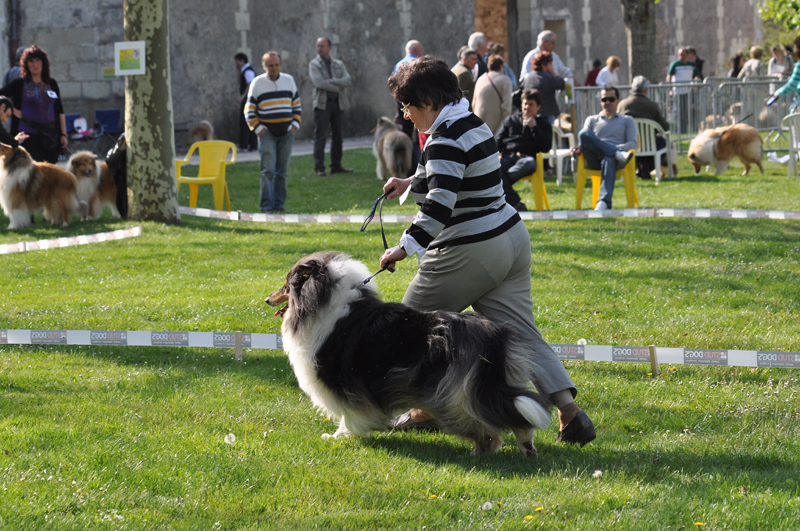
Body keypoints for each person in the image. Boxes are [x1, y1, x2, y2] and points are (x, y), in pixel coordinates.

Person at [380, 55, 596, 448]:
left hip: (471, 251)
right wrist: (411, 180)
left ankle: (411, 412)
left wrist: (404, 247)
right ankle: (571, 414)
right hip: (511, 240)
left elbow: (441, 203)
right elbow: (457, 172)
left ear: (427, 101)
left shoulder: (442, 138)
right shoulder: (471, 123)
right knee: (523, 334)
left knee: (405, 329)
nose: (406, 115)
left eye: (408, 105)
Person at [245, 51, 301, 214]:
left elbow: (296, 105)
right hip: (267, 133)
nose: (274, 68)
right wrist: (259, 129)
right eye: (270, 65)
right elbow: (249, 110)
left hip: (286, 132)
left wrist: (294, 126)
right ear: (264, 66)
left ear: (280, 65)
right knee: (267, 170)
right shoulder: (257, 83)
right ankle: (266, 206)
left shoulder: (288, 80)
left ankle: (279, 205)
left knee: (282, 171)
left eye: (276, 65)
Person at [571, 85, 637, 210]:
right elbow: (583, 141)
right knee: (583, 133)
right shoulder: (591, 120)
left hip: (617, 161)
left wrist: (610, 150)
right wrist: (578, 148)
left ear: (618, 100)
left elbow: (633, 144)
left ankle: (603, 202)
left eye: (611, 99)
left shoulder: (627, 120)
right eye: (604, 100)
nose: (607, 102)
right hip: (594, 158)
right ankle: (615, 153)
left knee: (609, 159)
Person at [0, 45, 67, 163]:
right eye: (31, 61)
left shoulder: (52, 83)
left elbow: (59, 110)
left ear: (43, 63)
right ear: (26, 64)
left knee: (49, 174)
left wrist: (63, 134)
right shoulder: (19, 83)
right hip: (28, 137)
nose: (34, 64)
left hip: (50, 137)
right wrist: (13, 110)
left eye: (37, 60)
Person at [495, 89, 552, 211]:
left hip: (527, 159)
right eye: (525, 104)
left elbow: (546, 147)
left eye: (531, 104)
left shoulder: (543, 124)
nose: (527, 107)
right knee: (493, 167)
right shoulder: (511, 120)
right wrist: (496, 156)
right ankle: (516, 203)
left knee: (499, 174)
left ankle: (501, 183)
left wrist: (534, 128)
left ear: (538, 106)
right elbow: (497, 142)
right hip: (508, 157)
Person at [309, 37, 353, 176]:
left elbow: (347, 80)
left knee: (338, 136)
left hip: (338, 103)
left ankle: (336, 166)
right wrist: (337, 87)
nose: (319, 48)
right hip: (322, 104)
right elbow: (319, 83)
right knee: (320, 136)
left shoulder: (338, 64)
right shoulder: (314, 64)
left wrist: (333, 81)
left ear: (330, 47)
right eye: (318, 46)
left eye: (322, 46)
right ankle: (319, 168)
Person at [617, 76, 671, 179]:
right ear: (646, 90)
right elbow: (665, 127)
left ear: (632, 89)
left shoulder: (622, 105)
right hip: (651, 145)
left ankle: (639, 166)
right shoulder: (652, 105)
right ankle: (647, 166)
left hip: (629, 144)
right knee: (663, 143)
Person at [394, 40, 424, 174]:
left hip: (402, 106)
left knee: (406, 139)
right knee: (417, 138)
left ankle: (405, 167)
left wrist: (398, 111)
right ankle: (416, 168)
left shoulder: (398, 64)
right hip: (416, 106)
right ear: (417, 51)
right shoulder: (417, 64)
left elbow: (394, 89)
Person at [472, 54, 513, 135]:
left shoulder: (480, 79)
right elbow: (506, 109)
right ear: (501, 67)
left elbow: (473, 104)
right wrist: (500, 133)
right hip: (496, 129)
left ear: (489, 67)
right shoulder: (506, 81)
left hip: (479, 129)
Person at [521, 51, 565, 124]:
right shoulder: (548, 77)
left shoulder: (528, 77)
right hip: (547, 115)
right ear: (544, 65)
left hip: (530, 114)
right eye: (550, 63)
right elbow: (561, 84)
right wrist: (553, 73)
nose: (551, 66)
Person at [767, 37, 800, 111]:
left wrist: (777, 93)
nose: (794, 51)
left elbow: (791, 84)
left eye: (796, 48)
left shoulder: (797, 64)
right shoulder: (773, 61)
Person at [234, 52, 257, 152]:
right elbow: (240, 83)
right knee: (246, 122)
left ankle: (245, 145)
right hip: (247, 100)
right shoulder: (243, 71)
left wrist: (242, 96)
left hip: (249, 100)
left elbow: (250, 84)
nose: (236, 64)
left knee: (245, 122)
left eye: (237, 61)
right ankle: (250, 145)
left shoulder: (248, 71)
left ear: (242, 61)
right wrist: (238, 73)